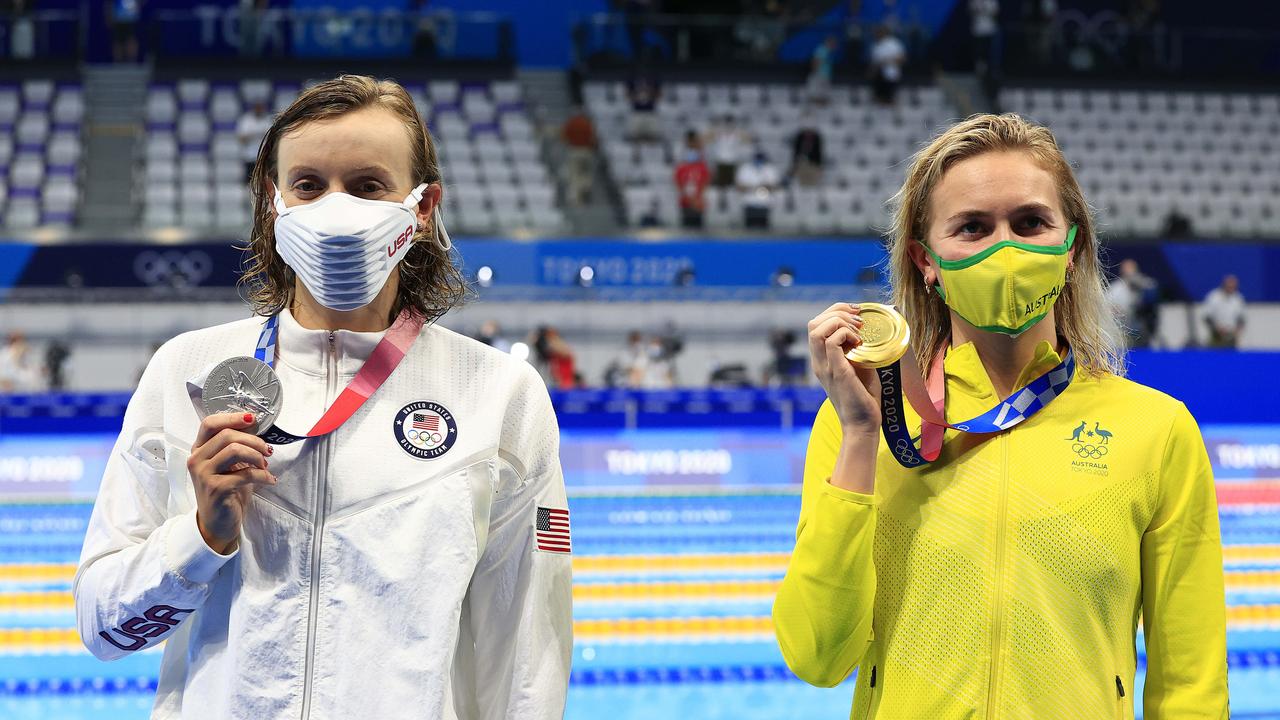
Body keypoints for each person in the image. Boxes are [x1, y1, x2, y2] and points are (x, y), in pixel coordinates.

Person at [74, 75, 572, 719]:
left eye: (368, 185)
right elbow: (102, 630)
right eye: (308, 185)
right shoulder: (186, 372)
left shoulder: (499, 393)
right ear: (273, 203)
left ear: (422, 208)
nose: (336, 211)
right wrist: (199, 538)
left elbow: (527, 657)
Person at [774, 114, 1227, 718]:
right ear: (925, 260)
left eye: (1030, 222)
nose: (1005, 248)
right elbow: (817, 657)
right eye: (972, 227)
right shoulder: (863, 422)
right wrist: (860, 434)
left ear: (1072, 249)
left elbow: (1191, 681)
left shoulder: (1156, 429)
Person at [1106, 258, 1159, 348]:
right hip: (1123, 329)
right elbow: (1107, 306)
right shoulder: (1116, 289)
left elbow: (1153, 290)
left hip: (1141, 327)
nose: (1130, 273)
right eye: (1127, 270)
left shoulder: (1143, 284)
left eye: (1132, 270)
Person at [561, 105, 597, 206]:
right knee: (586, 174)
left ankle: (575, 199)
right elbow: (593, 139)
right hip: (586, 151)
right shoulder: (587, 124)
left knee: (574, 176)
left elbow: (564, 137)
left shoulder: (571, 123)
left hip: (574, 151)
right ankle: (586, 191)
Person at [674, 130, 711, 228]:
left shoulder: (702, 166)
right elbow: (679, 183)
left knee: (698, 227)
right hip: (686, 202)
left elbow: (705, 182)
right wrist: (690, 200)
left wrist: (697, 199)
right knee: (686, 229)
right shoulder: (682, 166)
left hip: (698, 202)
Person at [736, 149, 780, 229]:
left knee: (764, 228)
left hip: (765, 203)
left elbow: (774, 186)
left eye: (760, 159)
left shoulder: (770, 169)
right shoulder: (745, 168)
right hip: (749, 202)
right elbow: (739, 187)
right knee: (749, 228)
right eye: (757, 159)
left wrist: (761, 186)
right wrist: (754, 187)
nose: (759, 161)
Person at [1201, 273, 1245, 348]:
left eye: (1233, 286)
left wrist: (1237, 330)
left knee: (1231, 358)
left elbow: (1242, 318)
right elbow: (1206, 317)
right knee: (1214, 357)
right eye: (1229, 285)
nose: (1231, 287)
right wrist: (1217, 328)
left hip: (1231, 337)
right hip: (1216, 337)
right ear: (1224, 285)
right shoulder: (1214, 297)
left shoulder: (1238, 298)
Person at [707, 115, 750, 188]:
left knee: (732, 184)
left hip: (732, 162)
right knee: (720, 184)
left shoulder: (737, 134)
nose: (728, 125)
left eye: (730, 123)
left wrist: (738, 131)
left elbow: (747, 140)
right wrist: (716, 129)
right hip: (720, 162)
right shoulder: (718, 133)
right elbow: (707, 138)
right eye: (726, 123)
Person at [868, 24, 906, 106]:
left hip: (892, 75)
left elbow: (902, 59)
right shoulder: (875, 46)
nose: (877, 34)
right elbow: (874, 64)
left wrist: (886, 62)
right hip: (880, 77)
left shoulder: (894, 43)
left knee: (889, 96)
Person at [236, 101, 272, 182]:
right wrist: (256, 134)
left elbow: (271, 137)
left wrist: (253, 134)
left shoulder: (267, 120)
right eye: (257, 108)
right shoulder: (246, 120)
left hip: (263, 156)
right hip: (250, 156)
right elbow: (241, 138)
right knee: (249, 180)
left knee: (263, 180)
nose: (259, 110)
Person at [626, 69, 662, 143]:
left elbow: (659, 94)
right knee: (633, 136)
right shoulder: (632, 78)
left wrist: (649, 95)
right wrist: (637, 97)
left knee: (654, 136)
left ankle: (651, 153)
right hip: (637, 112)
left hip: (650, 112)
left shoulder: (654, 78)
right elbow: (627, 95)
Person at [807, 35, 839, 104]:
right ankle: (817, 103)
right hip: (820, 74)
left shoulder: (827, 51)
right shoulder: (822, 50)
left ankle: (821, 102)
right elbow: (816, 61)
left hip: (824, 74)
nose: (835, 46)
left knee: (823, 91)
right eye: (834, 44)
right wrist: (815, 72)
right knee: (819, 91)